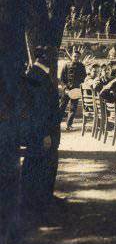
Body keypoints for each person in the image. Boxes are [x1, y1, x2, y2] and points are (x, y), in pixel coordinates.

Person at [20, 48, 61, 210]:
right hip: (43, 132)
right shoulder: (38, 77)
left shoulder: (35, 74)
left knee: (35, 164)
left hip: (39, 131)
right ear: (46, 58)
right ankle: (41, 202)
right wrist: (45, 134)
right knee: (43, 164)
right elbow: (39, 111)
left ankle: (39, 199)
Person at [59, 50, 86, 129]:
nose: (76, 58)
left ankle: (69, 125)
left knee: (73, 108)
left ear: (79, 58)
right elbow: (61, 79)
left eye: (77, 57)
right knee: (62, 107)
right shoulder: (66, 65)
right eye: (74, 56)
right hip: (66, 90)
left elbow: (83, 78)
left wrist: (78, 87)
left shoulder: (81, 66)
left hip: (76, 90)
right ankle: (56, 124)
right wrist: (65, 88)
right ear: (72, 56)